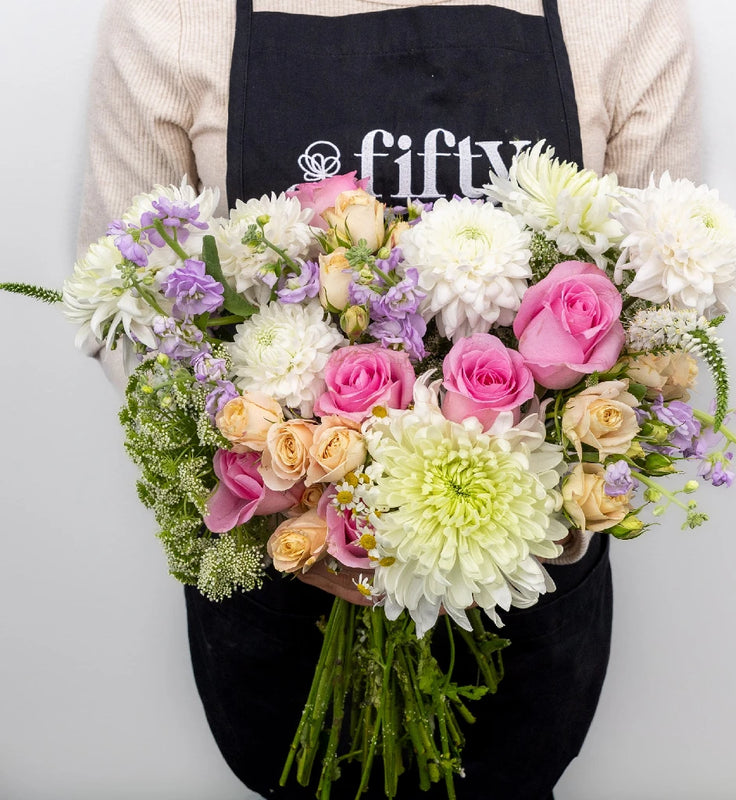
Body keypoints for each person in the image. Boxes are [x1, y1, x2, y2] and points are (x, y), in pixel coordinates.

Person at [77, 1, 700, 797]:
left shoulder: (623, 15)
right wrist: (301, 496)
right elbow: (126, 304)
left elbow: (662, 308)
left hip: (526, 586)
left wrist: (546, 504)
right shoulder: (169, 16)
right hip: (285, 579)